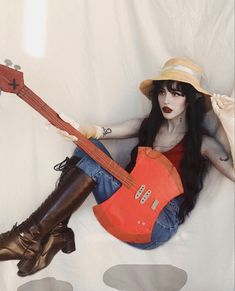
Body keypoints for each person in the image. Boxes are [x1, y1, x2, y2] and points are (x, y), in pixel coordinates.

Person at [0, 58, 234, 277]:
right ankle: (55, 233)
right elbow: (99, 132)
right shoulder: (147, 126)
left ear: (190, 99)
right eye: (162, 92)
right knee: (89, 147)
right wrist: (75, 129)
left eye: (176, 93)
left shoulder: (203, 143)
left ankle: (24, 239)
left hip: (158, 223)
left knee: (92, 162)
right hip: (129, 204)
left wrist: (229, 121)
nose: (166, 100)